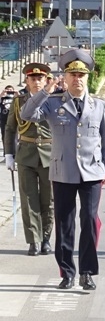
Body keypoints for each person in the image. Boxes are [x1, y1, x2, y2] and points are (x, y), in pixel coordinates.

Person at [20, 49, 105, 290]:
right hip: (63, 171)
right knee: (65, 223)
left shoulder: (99, 105)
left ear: (88, 78)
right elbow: (27, 114)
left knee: (89, 220)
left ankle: (87, 272)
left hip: (92, 171)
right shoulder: (53, 103)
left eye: (82, 75)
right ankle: (67, 272)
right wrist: (45, 91)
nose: (77, 79)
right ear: (65, 77)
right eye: (73, 74)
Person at [4, 63, 54, 256]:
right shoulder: (18, 102)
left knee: (48, 200)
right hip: (26, 154)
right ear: (26, 81)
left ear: (46, 80)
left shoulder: (55, 100)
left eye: (40, 78)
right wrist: (9, 153)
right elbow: (10, 129)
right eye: (32, 79)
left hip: (50, 154)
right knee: (28, 200)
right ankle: (34, 240)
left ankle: (46, 238)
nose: (36, 82)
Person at [1, 84, 15, 150]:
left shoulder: (15, 98)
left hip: (13, 119)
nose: (9, 91)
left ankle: (13, 150)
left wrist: (16, 94)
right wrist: (2, 93)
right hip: (4, 119)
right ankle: (5, 151)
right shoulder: (2, 98)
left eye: (11, 90)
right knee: (4, 135)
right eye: (8, 90)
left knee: (13, 136)